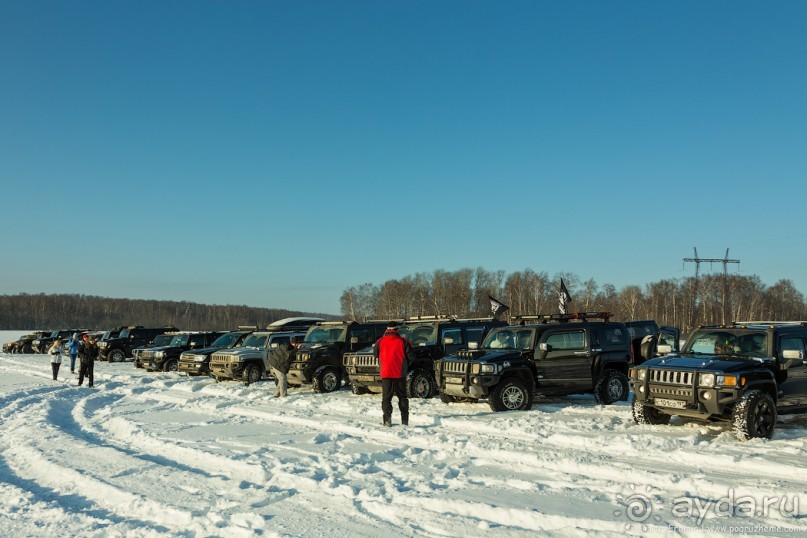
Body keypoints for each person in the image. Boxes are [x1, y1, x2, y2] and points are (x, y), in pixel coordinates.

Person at [374, 321, 415, 427]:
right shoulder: (403, 341)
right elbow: (412, 356)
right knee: (402, 397)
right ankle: (404, 421)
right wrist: (405, 365)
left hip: (386, 374)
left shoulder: (380, 341)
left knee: (386, 398)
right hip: (400, 373)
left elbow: (375, 355)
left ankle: (387, 420)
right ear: (397, 330)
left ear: (387, 330)